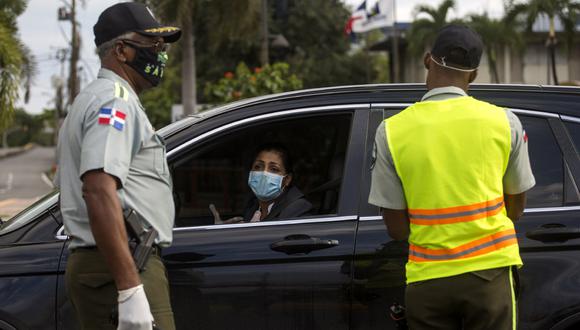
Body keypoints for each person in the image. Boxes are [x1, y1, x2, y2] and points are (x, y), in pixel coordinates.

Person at [368, 24, 535, 330]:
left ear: (427, 60)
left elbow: (395, 228)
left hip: (428, 280)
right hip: (490, 276)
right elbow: (516, 208)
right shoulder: (505, 122)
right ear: (474, 74)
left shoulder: (391, 131)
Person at [55, 3, 181, 330]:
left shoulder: (97, 97)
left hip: (111, 263)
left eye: (163, 47)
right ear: (122, 50)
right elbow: (98, 189)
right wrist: (129, 289)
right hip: (120, 265)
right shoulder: (114, 101)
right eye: (153, 46)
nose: (161, 55)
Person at [243, 143, 312, 222]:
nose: (264, 174)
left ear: (287, 179)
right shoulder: (252, 204)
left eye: (274, 169)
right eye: (258, 167)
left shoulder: (298, 210)